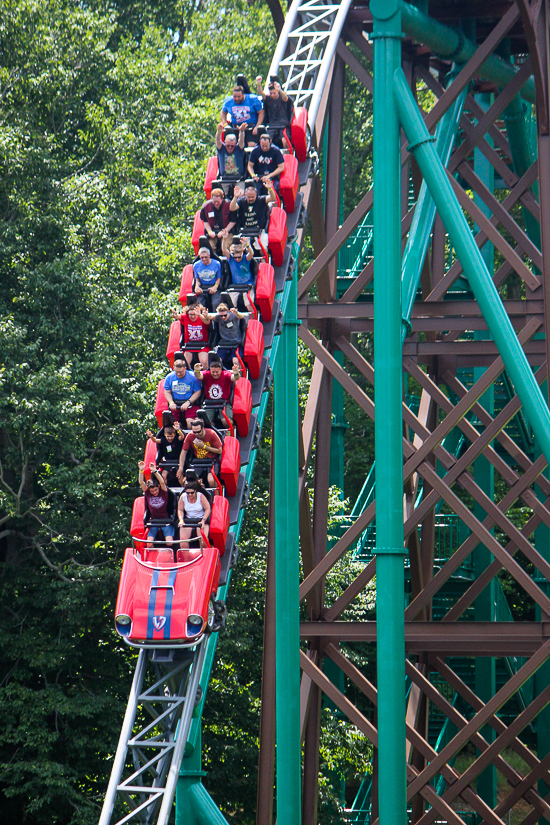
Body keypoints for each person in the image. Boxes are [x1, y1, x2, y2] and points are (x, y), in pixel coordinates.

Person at [138, 461, 175, 549]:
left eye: (155, 490)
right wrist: (141, 470)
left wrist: (155, 471)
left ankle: (166, 554)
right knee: (149, 543)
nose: (154, 493)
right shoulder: (148, 493)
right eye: (152, 491)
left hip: (165, 520)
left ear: (158, 487)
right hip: (154, 521)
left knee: (169, 542)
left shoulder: (163, 492)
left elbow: (162, 482)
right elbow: (141, 482)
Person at [177, 418, 223, 488]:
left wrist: (204, 446)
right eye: (194, 432)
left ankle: (216, 494)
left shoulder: (211, 433)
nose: (196, 434)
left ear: (203, 428)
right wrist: (180, 468)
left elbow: (219, 450)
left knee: (210, 480)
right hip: (198, 461)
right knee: (186, 481)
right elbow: (183, 453)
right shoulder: (190, 436)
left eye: (198, 432)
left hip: (212, 461)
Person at [194, 358, 241, 426]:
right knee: (206, 422)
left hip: (224, 402)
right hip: (210, 403)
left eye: (217, 372)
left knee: (226, 421)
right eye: (213, 372)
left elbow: (235, 378)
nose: (215, 374)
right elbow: (199, 376)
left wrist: (236, 373)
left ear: (220, 370)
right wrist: (197, 371)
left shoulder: (225, 375)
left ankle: (230, 432)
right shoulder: (207, 374)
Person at [229, 181, 277, 246]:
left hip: (260, 229)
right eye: (249, 197)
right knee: (240, 247)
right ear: (245, 195)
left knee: (263, 245)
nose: (251, 199)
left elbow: (273, 198)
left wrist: (270, 189)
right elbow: (232, 208)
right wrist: (235, 197)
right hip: (245, 230)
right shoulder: (241, 201)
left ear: (256, 195)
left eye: (252, 197)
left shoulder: (260, 200)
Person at [255, 76, 294, 148]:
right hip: (272, 125)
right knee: (266, 139)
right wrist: (259, 84)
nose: (272, 95)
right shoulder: (268, 98)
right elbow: (261, 93)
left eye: (274, 93)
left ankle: (287, 155)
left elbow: (285, 98)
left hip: (283, 125)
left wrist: (280, 90)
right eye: (271, 93)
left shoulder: (282, 98)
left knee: (285, 141)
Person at [206, 303, 248, 369]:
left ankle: (239, 376)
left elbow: (242, 316)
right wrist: (206, 315)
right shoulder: (218, 317)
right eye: (221, 316)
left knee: (235, 361)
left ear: (228, 312)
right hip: (224, 343)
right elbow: (210, 317)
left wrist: (237, 313)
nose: (223, 317)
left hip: (235, 342)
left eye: (225, 315)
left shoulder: (233, 316)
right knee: (217, 361)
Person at [199, 186, 237, 258]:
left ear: (222, 199)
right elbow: (205, 221)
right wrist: (210, 232)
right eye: (214, 201)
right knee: (210, 247)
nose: (216, 203)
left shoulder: (228, 205)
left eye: (218, 202)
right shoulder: (206, 206)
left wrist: (224, 231)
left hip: (227, 231)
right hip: (212, 232)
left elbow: (233, 221)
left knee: (226, 247)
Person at [171, 303, 211, 369]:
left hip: (202, 345)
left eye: (194, 314)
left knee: (204, 362)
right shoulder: (185, 317)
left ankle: (204, 376)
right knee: (185, 363)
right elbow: (178, 316)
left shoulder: (201, 318)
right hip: (189, 346)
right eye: (191, 314)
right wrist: (174, 315)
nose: (192, 317)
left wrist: (199, 315)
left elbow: (207, 322)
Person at [164, 359, 202, 426]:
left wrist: (188, 402)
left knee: (190, 423)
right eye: (176, 372)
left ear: (185, 368)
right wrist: (171, 402)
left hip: (191, 404)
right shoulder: (169, 377)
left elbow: (198, 392)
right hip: (176, 404)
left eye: (180, 372)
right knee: (173, 424)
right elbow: (167, 392)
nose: (178, 374)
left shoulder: (192, 376)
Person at [177, 485, 211, 559]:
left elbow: (208, 509)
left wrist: (203, 520)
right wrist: (181, 520)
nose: (189, 495)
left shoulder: (201, 496)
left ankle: (205, 557)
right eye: (188, 493)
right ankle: (187, 559)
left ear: (195, 491)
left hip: (201, 519)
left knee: (203, 540)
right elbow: (180, 510)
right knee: (183, 541)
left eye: (192, 493)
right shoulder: (183, 497)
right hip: (189, 519)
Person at [226, 238, 256, 313]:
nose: (237, 259)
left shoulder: (246, 258)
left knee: (248, 305)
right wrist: (224, 238)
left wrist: (247, 245)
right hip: (236, 286)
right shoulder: (231, 259)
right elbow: (224, 250)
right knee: (231, 307)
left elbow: (251, 253)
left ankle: (254, 319)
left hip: (247, 285)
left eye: (239, 257)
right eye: (235, 257)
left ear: (242, 253)